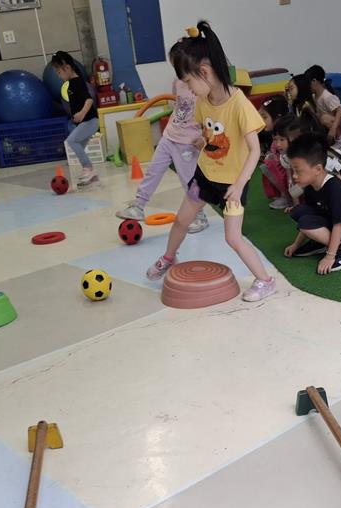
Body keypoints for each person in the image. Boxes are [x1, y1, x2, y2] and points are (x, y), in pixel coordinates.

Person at [145, 22, 277, 302]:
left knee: (233, 238)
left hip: (232, 185)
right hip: (205, 176)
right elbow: (212, 134)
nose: (187, 88)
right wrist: (202, 142)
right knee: (181, 220)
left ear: (204, 72)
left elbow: (255, 150)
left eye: (187, 81)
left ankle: (265, 281)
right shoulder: (203, 100)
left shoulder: (239, 104)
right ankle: (169, 257)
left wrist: (239, 185)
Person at [117, 44, 208, 233]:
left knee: (189, 180)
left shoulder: (203, 85)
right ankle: (138, 206)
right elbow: (179, 106)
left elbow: (210, 115)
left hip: (188, 142)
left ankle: (199, 215)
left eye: (177, 63)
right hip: (169, 136)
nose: (176, 68)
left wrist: (204, 137)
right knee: (153, 170)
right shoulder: (178, 83)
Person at [283, 133, 341, 274]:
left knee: (305, 222)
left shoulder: (335, 189)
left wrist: (330, 256)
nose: (294, 176)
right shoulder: (310, 186)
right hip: (329, 223)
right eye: (293, 171)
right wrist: (296, 245)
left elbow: (339, 224)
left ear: (318, 169)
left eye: (298, 171)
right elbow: (309, 217)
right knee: (299, 211)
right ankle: (322, 243)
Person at [52, 51, 100, 187]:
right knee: (79, 146)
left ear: (67, 67)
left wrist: (82, 113)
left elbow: (89, 100)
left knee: (71, 141)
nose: (58, 75)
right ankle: (93, 175)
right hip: (86, 122)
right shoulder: (70, 84)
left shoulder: (77, 82)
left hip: (90, 121)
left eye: (59, 72)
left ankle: (88, 168)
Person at [305, 65, 341, 143]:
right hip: (334, 121)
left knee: (324, 118)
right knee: (319, 118)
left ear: (314, 81)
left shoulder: (326, 96)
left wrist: (333, 129)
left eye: (307, 84)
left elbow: (339, 111)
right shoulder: (315, 97)